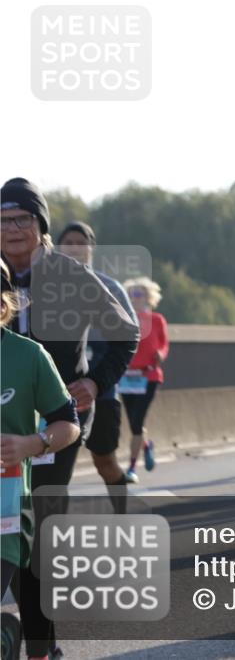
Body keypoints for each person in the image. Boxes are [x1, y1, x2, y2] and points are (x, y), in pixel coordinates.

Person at [1, 178, 138, 660]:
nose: (12, 229)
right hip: (4, 418)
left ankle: (42, 646)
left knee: (33, 530)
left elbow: (126, 333)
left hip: (57, 421)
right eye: (3, 220)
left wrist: (96, 382)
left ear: (41, 227)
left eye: (23, 219)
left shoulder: (69, 273)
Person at [1, 257, 82, 660]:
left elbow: (69, 424)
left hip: (7, 509)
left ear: (4, 306)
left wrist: (32, 444)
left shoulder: (30, 356)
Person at [56, 222, 138, 510]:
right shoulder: (46, 287)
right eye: (68, 242)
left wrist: (96, 380)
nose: (75, 248)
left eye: (82, 242)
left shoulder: (110, 287)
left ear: (92, 249)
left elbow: (129, 335)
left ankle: (121, 514)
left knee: (105, 462)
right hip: (60, 392)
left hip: (99, 389)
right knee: (54, 474)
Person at [120, 277, 169, 482]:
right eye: (131, 294)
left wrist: (160, 354)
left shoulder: (157, 320)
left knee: (138, 420)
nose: (134, 298)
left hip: (148, 376)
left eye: (138, 294)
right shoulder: (122, 319)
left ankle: (131, 467)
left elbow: (164, 345)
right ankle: (147, 445)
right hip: (126, 378)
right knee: (134, 423)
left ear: (147, 297)